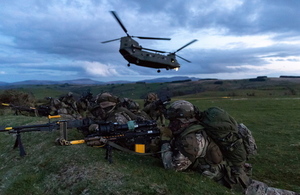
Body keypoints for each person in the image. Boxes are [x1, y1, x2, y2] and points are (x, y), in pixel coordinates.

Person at [160, 100, 299, 195]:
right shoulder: (200, 125)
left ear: (179, 119)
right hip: (230, 169)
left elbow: (173, 166)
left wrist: (165, 142)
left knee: (264, 191)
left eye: (172, 120)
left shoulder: (191, 138)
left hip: (227, 179)